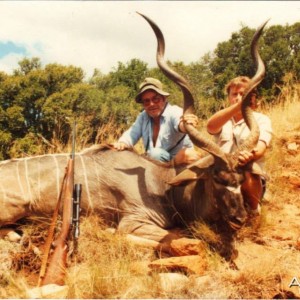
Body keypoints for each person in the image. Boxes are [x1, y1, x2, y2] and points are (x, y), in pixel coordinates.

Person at [206, 76, 273, 216]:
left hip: (245, 175)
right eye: (234, 94)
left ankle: (254, 212)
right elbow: (210, 127)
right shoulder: (223, 118)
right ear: (229, 98)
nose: (238, 97)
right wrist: (239, 105)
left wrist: (250, 156)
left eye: (243, 94)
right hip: (222, 175)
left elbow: (260, 149)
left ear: (252, 98)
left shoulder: (262, 119)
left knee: (248, 169)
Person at [113, 77, 201, 165]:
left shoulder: (174, 111)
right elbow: (132, 133)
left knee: (155, 154)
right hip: (156, 164)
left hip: (179, 164)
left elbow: (180, 124)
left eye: (155, 99)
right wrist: (122, 143)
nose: (151, 104)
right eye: (146, 101)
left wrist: (186, 123)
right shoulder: (143, 116)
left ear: (163, 98)